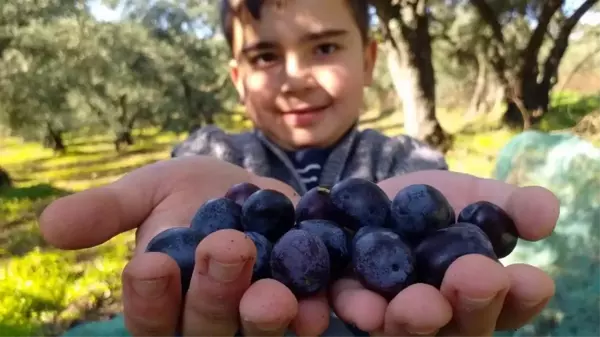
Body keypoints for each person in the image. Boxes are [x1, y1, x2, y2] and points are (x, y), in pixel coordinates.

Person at [39, 0, 558, 337]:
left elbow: (419, 242)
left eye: (325, 47)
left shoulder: (407, 162)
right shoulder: (214, 155)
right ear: (237, 79)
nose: (295, 79)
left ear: (370, 59)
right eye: (265, 57)